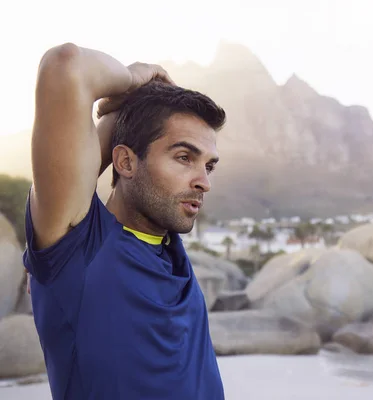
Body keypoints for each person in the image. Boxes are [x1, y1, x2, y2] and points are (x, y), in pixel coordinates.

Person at [23, 43, 226, 399]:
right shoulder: (77, 252)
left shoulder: (170, 250)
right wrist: (133, 80)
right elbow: (65, 66)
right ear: (126, 163)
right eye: (184, 157)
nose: (203, 182)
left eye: (207, 166)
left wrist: (140, 101)